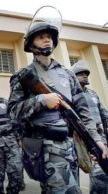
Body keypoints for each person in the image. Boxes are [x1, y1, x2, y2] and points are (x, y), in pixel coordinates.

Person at [7, 11, 108, 193]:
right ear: (31, 44)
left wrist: (97, 141)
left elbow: (83, 113)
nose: (47, 40)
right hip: (45, 147)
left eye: (49, 37)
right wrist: (41, 100)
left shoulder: (68, 74)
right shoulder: (24, 76)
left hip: (70, 146)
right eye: (41, 37)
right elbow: (13, 112)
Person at [71, 60, 108, 194]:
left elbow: (104, 114)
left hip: (98, 136)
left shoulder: (93, 94)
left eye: (86, 73)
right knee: (72, 175)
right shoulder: (70, 94)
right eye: (81, 74)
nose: (85, 76)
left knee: (101, 174)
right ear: (74, 76)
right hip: (77, 138)